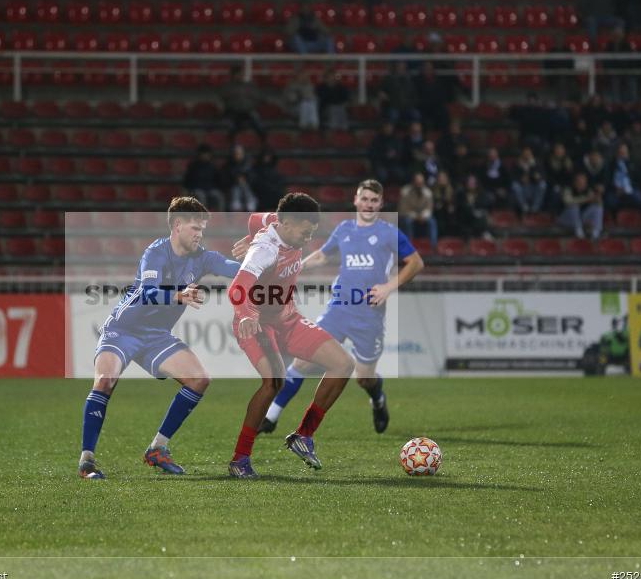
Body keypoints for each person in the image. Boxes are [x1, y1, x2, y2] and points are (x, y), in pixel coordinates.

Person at [78, 197, 241, 479]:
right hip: (124, 329)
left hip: (155, 336)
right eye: (195, 228)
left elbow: (235, 269)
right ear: (177, 226)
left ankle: (157, 448)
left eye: (202, 229)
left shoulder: (203, 257)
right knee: (105, 381)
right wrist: (179, 295)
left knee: (200, 380)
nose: (199, 234)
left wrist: (257, 257)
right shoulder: (155, 252)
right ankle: (87, 461)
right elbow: (148, 292)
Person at [257, 180, 424, 437]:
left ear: (381, 204)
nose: (368, 204)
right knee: (302, 362)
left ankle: (377, 398)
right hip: (338, 309)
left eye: (374, 200)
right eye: (364, 199)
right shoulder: (344, 229)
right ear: (356, 200)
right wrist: (293, 267)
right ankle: (271, 416)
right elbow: (323, 255)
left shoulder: (389, 233)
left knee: (364, 378)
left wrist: (388, 287)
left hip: (369, 314)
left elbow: (415, 263)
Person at [226, 193, 356, 478]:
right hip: (257, 322)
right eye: (305, 233)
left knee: (343, 364)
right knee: (273, 383)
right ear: (286, 224)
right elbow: (236, 288)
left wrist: (248, 236)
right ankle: (240, 459)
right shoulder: (265, 250)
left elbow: (253, 220)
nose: (308, 240)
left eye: (312, 233)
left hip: (287, 318)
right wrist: (246, 314)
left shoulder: (274, 219)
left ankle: (304, 435)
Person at [219, 66, 266, 142]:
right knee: (231, 127)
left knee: (259, 124)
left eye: (242, 74)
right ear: (233, 75)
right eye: (239, 74)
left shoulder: (249, 86)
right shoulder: (227, 86)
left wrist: (252, 102)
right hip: (233, 112)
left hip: (248, 111)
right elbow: (224, 98)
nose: (241, 76)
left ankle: (264, 141)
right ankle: (230, 142)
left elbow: (260, 98)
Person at [559, 172, 604, 240]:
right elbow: (568, 202)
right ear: (575, 182)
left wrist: (598, 198)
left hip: (580, 218)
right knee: (574, 208)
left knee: (597, 208)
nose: (582, 184)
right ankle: (579, 233)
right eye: (579, 182)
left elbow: (599, 204)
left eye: (584, 182)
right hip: (565, 218)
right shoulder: (568, 189)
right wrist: (586, 199)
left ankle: (596, 232)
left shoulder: (588, 190)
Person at [399, 172, 438, 247]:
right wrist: (416, 216)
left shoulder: (428, 192)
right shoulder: (405, 191)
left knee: (432, 221)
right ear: (413, 182)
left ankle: (433, 246)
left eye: (421, 182)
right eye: (417, 182)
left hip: (423, 216)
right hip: (409, 216)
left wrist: (423, 216)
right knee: (407, 221)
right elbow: (403, 210)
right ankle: (408, 246)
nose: (419, 184)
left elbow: (429, 209)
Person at [183, 144, 224, 211]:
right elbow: (187, 181)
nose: (205, 156)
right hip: (197, 189)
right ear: (199, 155)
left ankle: (221, 215)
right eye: (203, 154)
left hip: (210, 189)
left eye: (207, 154)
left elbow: (218, 181)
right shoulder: (193, 166)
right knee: (201, 195)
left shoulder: (213, 167)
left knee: (218, 196)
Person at [367, 120, 406, 185]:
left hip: (393, 164)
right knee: (383, 175)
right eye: (387, 127)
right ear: (383, 128)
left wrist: (395, 155)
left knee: (401, 174)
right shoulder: (377, 140)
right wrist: (385, 155)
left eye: (390, 127)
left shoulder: (396, 139)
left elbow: (400, 152)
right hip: (381, 164)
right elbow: (373, 154)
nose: (388, 129)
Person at [511, 147, 548, 214]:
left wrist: (533, 167)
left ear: (531, 154)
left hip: (534, 186)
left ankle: (535, 208)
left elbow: (543, 176)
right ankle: (524, 206)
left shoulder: (537, 163)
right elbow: (513, 176)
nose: (527, 156)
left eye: (528, 154)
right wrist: (521, 179)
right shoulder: (517, 163)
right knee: (515, 185)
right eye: (525, 154)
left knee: (543, 185)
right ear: (522, 155)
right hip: (522, 187)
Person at [607, 142, 641, 210]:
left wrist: (629, 188)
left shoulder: (634, 164)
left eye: (624, 152)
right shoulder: (611, 165)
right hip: (616, 190)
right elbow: (608, 179)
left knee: (640, 199)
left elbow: (639, 179)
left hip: (631, 188)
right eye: (621, 152)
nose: (623, 154)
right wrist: (615, 188)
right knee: (610, 201)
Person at [221, 144, 257, 212]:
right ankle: (236, 207)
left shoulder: (248, 166)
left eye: (239, 153)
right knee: (235, 190)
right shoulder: (227, 166)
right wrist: (235, 180)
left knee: (246, 189)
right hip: (232, 192)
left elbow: (254, 180)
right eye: (236, 153)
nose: (238, 155)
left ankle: (250, 206)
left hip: (247, 191)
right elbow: (224, 181)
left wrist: (245, 180)